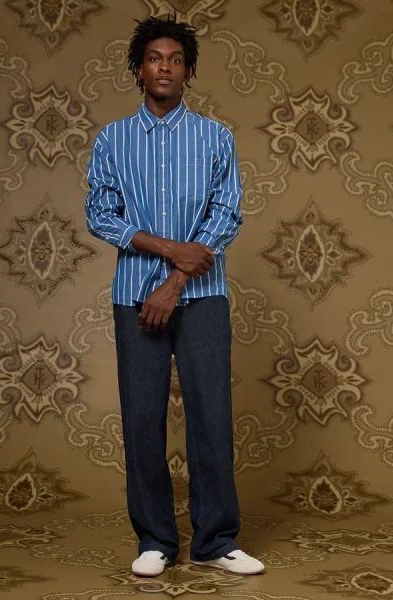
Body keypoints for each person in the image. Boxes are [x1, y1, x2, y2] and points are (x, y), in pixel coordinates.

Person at [84, 14, 265, 578]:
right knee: (142, 417)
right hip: (133, 296)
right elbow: (100, 214)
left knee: (212, 415)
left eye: (176, 60)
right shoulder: (112, 139)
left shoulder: (216, 137)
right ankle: (155, 540)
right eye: (154, 58)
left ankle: (215, 541)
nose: (165, 67)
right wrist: (170, 250)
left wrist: (177, 280)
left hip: (203, 295)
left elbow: (226, 212)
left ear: (189, 72)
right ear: (139, 69)